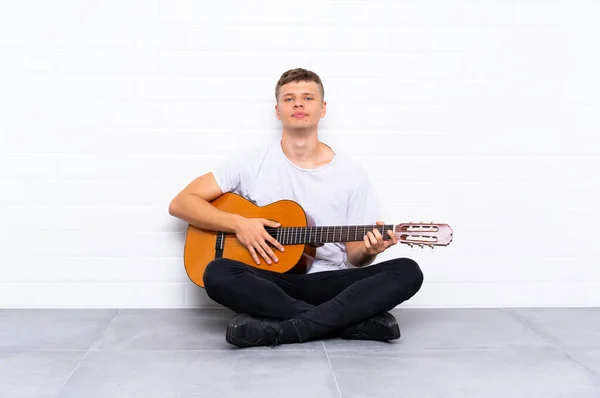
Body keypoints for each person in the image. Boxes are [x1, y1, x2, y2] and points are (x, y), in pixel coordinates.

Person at [168, 68, 424, 348]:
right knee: (216, 273)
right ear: (277, 110)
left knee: (407, 270)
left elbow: (355, 257)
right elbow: (182, 203)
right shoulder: (250, 162)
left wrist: (369, 250)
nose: (299, 104)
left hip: (331, 282)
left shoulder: (351, 174)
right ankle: (347, 321)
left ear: (322, 108)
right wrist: (239, 224)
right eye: (289, 99)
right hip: (272, 283)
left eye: (308, 98)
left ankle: (284, 329)